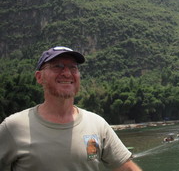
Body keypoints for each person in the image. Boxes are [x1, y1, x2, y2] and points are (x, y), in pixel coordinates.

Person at [0, 46, 142, 171]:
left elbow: (127, 168)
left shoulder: (97, 124)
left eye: (73, 67)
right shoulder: (13, 127)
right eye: (57, 66)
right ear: (39, 77)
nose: (67, 73)